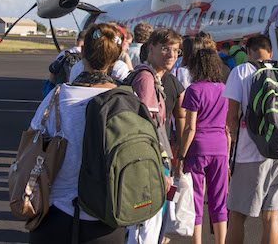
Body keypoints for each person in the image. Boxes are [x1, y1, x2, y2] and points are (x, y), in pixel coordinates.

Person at [27, 23, 126, 244]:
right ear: (116, 59)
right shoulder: (128, 100)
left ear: (83, 53)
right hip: (109, 219)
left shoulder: (57, 98)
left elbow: (32, 141)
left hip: (58, 214)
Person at [224, 34, 278, 244]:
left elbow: (231, 118)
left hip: (249, 154)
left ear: (249, 52)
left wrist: (229, 152)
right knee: (271, 217)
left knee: (237, 215)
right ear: (270, 52)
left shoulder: (241, 72)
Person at [127, 26, 184, 244]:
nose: (171, 55)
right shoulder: (146, 80)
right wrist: (160, 168)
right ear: (151, 48)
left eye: (176, 50)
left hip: (156, 161)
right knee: (145, 229)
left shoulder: (155, 79)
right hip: (150, 164)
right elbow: (147, 129)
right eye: (165, 49)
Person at [176, 47, 231, 244]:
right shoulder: (224, 89)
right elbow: (227, 126)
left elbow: (190, 128)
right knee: (219, 201)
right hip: (220, 146)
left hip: (198, 147)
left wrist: (180, 156)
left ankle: (197, 242)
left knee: (196, 199)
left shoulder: (194, 90)